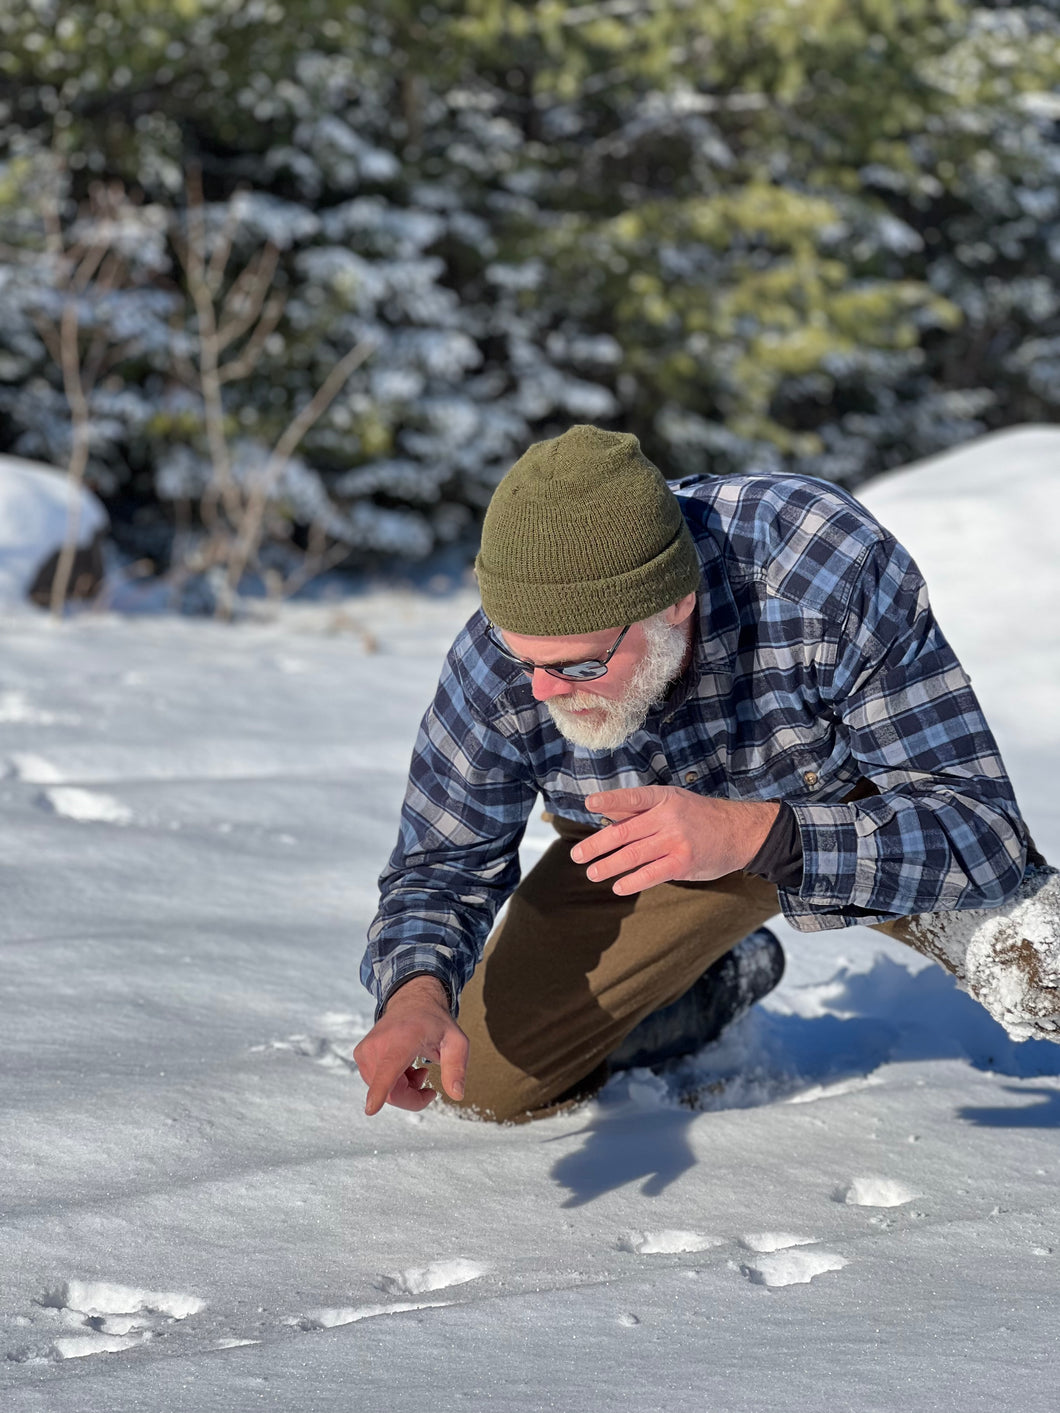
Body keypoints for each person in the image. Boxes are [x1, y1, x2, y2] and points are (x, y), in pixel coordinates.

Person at [354, 424, 1058, 1123]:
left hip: (852, 817)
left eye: (579, 665)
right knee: (480, 1078)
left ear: (674, 602)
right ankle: (712, 980)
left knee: (1048, 970)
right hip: (638, 852)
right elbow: (443, 861)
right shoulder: (497, 660)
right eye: (524, 659)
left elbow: (980, 828)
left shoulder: (823, 566)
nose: (543, 689)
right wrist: (414, 989)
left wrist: (759, 834)